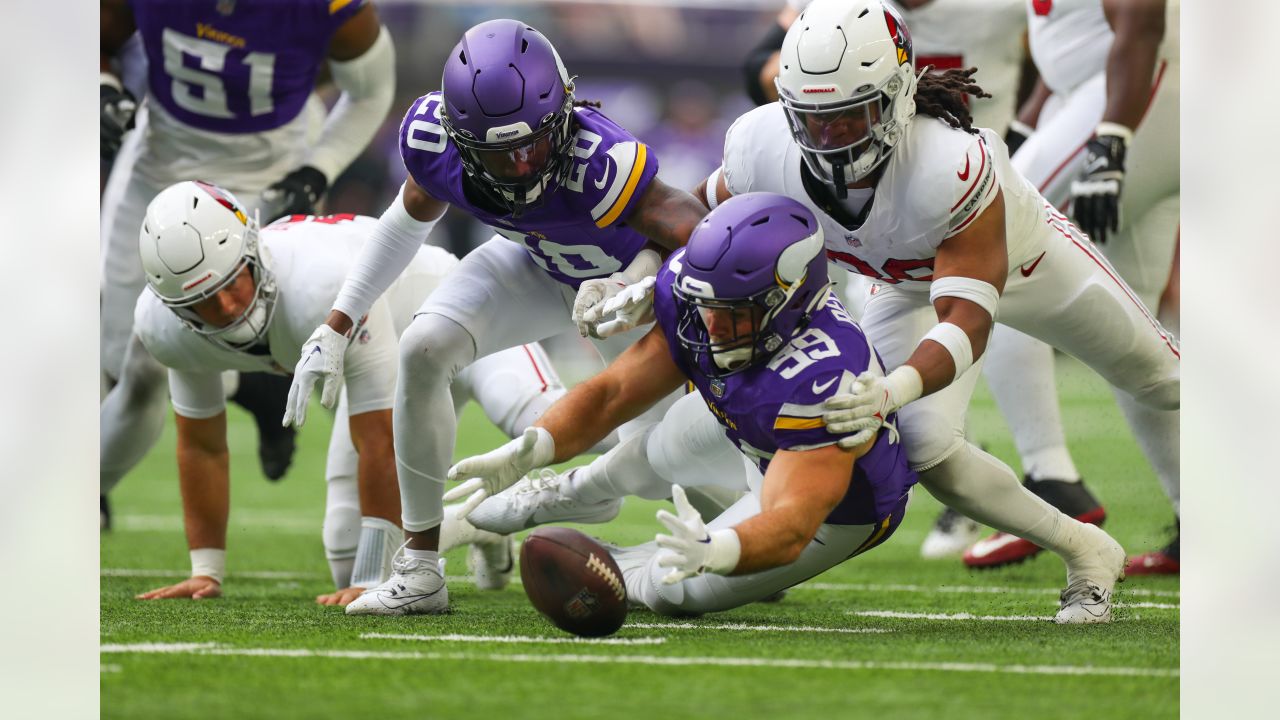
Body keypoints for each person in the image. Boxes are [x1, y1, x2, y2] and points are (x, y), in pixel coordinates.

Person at [690, 0, 1177, 621]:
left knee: (1165, 380)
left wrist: (890, 391)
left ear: (896, 98)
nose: (830, 139)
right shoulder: (762, 145)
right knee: (923, 443)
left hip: (1028, 263)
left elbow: (969, 322)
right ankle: (1088, 551)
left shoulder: (947, 163)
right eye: (813, 121)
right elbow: (699, 222)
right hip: (902, 281)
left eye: (848, 118)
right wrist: (640, 275)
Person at [285, 19, 719, 616]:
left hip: (623, 300)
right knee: (423, 347)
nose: (518, 165)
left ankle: (734, 540)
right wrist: (337, 324)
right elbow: (404, 221)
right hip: (535, 262)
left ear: (564, 112)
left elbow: (702, 235)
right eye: (498, 152)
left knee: (676, 465)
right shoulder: (435, 139)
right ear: (461, 138)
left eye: (532, 145)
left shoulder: (600, 159)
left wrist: (639, 278)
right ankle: (419, 569)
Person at [453, 194, 921, 617]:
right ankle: (579, 489)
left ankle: (623, 564)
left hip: (835, 512)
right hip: (754, 426)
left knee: (669, 588)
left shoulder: (828, 382)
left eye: (734, 311)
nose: (712, 325)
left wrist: (718, 550)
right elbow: (616, 392)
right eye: (706, 305)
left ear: (790, 300)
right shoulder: (703, 298)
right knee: (661, 446)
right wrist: (535, 446)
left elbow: (792, 523)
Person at [128, 181, 565, 603]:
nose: (226, 308)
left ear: (252, 251)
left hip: (462, 316)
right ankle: (477, 524)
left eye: (231, 284)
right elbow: (201, 445)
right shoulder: (165, 329)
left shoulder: (318, 283)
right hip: (388, 362)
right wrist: (205, 570)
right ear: (173, 309)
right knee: (346, 553)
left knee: (540, 421)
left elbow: (379, 438)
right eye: (203, 301)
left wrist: (371, 581)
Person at [100, 0, 396, 515]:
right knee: (126, 362)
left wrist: (318, 169)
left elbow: (371, 91)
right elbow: (91, 42)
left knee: (301, 340)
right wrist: (103, 88)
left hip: (270, 178)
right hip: (160, 164)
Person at [971, 0, 1180, 573]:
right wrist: (1022, 127)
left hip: (1137, 95)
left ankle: (1051, 475)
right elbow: (1064, 43)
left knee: (992, 245)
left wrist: (1113, 137)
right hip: (1109, 94)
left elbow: (1141, 24)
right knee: (1133, 335)